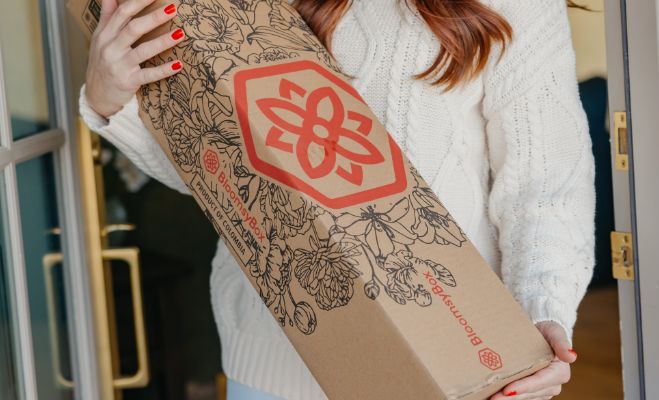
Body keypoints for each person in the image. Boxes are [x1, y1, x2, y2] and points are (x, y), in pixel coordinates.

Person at [80, 0, 595, 398]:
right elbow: (221, 178)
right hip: (274, 359)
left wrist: (542, 313)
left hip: (457, 352)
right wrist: (111, 100)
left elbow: (543, 186)